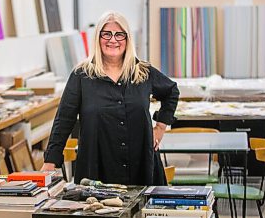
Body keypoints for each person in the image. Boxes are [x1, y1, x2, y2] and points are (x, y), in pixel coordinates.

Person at [41, 11, 179, 186]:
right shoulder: (81, 75)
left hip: (141, 165)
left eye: (119, 34)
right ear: (98, 38)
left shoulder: (143, 72)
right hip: (96, 167)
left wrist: (160, 127)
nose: (113, 40)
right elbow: (64, 119)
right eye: (106, 33)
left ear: (127, 39)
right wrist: (50, 161)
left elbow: (171, 92)